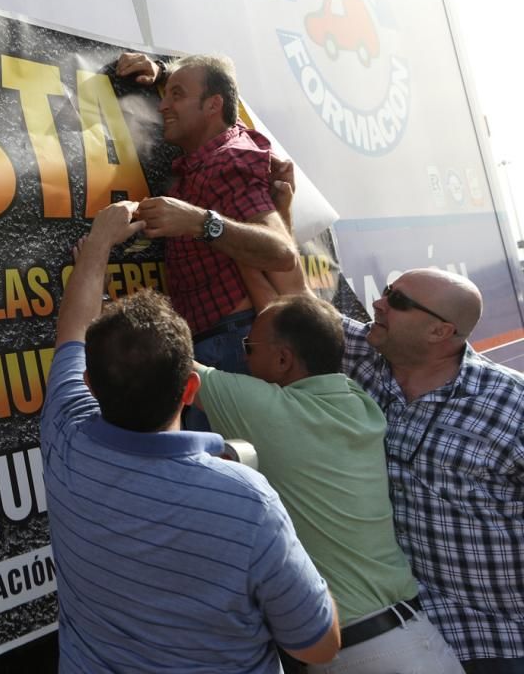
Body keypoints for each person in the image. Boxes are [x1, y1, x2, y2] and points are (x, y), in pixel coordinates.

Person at [41, 200, 339, 672]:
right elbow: (317, 645)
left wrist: (98, 244)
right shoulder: (248, 502)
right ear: (191, 389)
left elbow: (72, 332)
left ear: (91, 387)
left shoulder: (66, 444)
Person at [262, 164, 524, 672]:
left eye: (397, 302)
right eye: (386, 291)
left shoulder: (510, 405)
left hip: (493, 637)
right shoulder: (364, 356)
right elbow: (295, 304)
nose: (377, 303)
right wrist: (281, 212)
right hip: (397, 625)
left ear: (440, 333)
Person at [194, 294, 463, 673]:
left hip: (360, 656)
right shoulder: (356, 402)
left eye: (248, 347)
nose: (244, 358)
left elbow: (164, 358)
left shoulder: (266, 410)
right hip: (416, 639)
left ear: (284, 359)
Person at [115, 52, 297, 380]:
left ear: (213, 106)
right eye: (167, 94)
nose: (162, 106)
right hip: (223, 340)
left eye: (177, 95)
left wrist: (200, 222)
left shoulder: (228, 161)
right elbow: (222, 83)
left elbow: (281, 251)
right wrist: (163, 73)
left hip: (231, 346)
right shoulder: (224, 137)